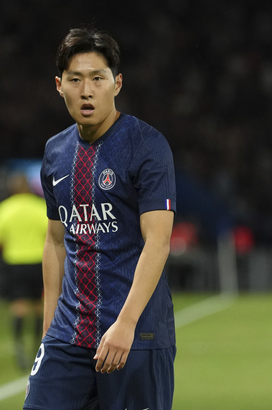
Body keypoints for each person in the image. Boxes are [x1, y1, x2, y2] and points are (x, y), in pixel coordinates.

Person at [24, 27, 177, 410]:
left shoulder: (147, 146)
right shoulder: (55, 152)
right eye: (75, 80)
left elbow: (158, 242)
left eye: (97, 78)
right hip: (69, 334)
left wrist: (126, 324)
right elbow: (55, 241)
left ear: (117, 83)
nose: (86, 91)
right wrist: (49, 332)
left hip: (137, 334)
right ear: (59, 86)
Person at [0, 174, 47, 370]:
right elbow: (51, 233)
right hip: (38, 261)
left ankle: (19, 347)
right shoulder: (40, 206)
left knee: (19, 304)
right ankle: (37, 347)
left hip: (15, 262)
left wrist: (9, 246)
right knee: (39, 305)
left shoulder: (5, 208)